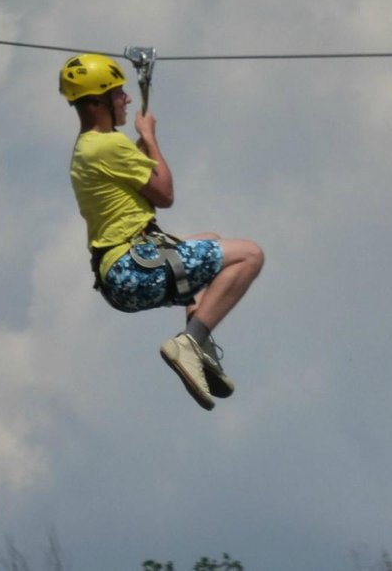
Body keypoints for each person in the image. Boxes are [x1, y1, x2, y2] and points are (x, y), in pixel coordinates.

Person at [60, 53, 264, 410]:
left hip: (120, 275)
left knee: (211, 241)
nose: (126, 100)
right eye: (119, 93)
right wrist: (149, 137)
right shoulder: (109, 145)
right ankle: (191, 341)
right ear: (99, 101)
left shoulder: (87, 149)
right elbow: (165, 194)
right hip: (134, 270)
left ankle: (196, 344)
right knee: (249, 255)